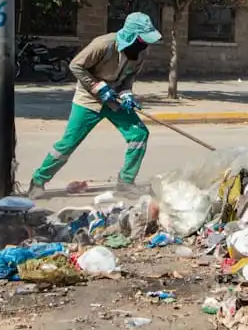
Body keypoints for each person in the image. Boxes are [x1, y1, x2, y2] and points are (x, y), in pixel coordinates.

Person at [27, 13, 162, 198]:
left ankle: (125, 182)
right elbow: (76, 66)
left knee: (139, 134)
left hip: (113, 100)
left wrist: (127, 94)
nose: (145, 44)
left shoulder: (139, 54)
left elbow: (128, 78)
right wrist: (97, 87)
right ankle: (38, 181)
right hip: (88, 99)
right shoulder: (104, 44)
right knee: (68, 143)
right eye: (142, 39)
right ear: (131, 35)